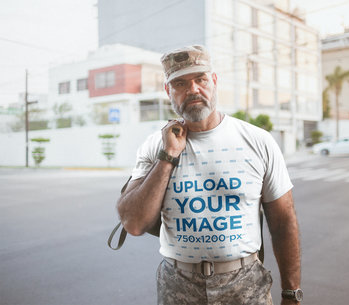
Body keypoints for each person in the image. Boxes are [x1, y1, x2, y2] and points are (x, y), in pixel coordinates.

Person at [117, 45, 302, 305]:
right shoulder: (154, 146)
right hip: (178, 285)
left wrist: (292, 293)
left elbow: (283, 223)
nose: (193, 89)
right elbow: (133, 223)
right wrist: (169, 155)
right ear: (168, 91)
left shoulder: (258, 141)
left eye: (200, 79)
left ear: (213, 82)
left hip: (245, 285)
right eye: (180, 83)